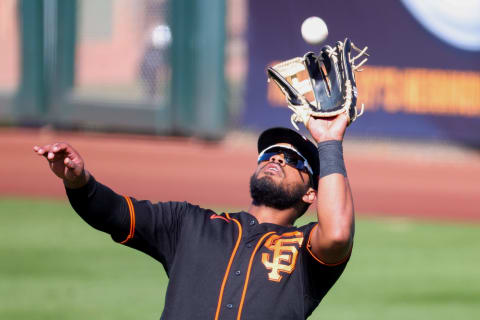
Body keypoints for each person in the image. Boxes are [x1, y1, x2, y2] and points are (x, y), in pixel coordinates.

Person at [33, 114, 354, 319]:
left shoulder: (305, 251)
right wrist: (79, 181)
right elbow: (114, 214)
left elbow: (338, 233)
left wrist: (328, 141)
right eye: (270, 154)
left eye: (293, 160)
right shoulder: (188, 223)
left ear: (311, 194)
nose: (278, 160)